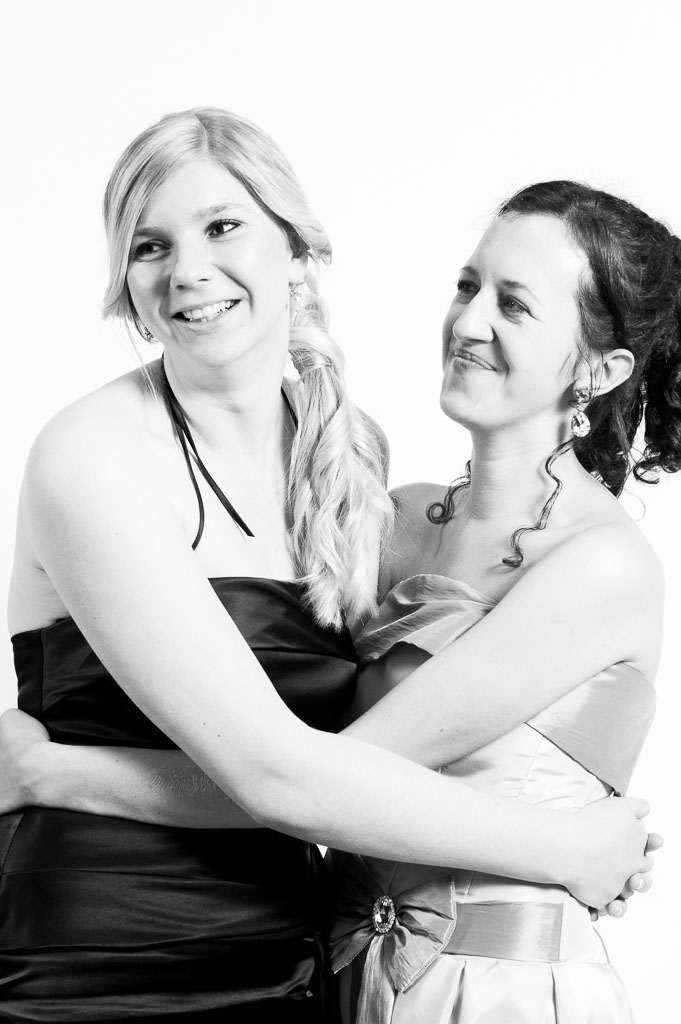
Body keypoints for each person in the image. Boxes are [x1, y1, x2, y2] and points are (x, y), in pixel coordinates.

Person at [0, 108, 652, 1024]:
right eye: (149, 246)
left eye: (223, 226)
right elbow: (288, 776)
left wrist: (57, 772)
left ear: (296, 251)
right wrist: (563, 847)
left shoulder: (351, 463)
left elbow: (328, 771)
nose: (187, 271)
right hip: (105, 955)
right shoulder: (99, 457)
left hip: (310, 956)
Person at [327, 180, 681, 1022]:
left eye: (513, 305)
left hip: (499, 993)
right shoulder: (398, 519)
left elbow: (326, 778)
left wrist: (66, 777)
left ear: (600, 371)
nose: (468, 321)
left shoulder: (600, 566)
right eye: (466, 285)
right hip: (345, 976)